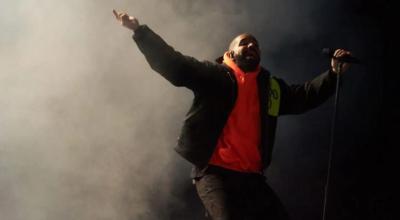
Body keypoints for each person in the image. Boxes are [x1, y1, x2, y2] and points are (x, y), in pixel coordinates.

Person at [113, 9, 351, 220]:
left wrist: (332, 74)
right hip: (215, 174)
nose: (251, 46)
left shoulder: (270, 87)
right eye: (244, 43)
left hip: (251, 178)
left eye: (255, 45)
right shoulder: (216, 76)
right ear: (231, 52)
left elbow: (303, 96)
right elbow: (175, 64)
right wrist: (139, 31)